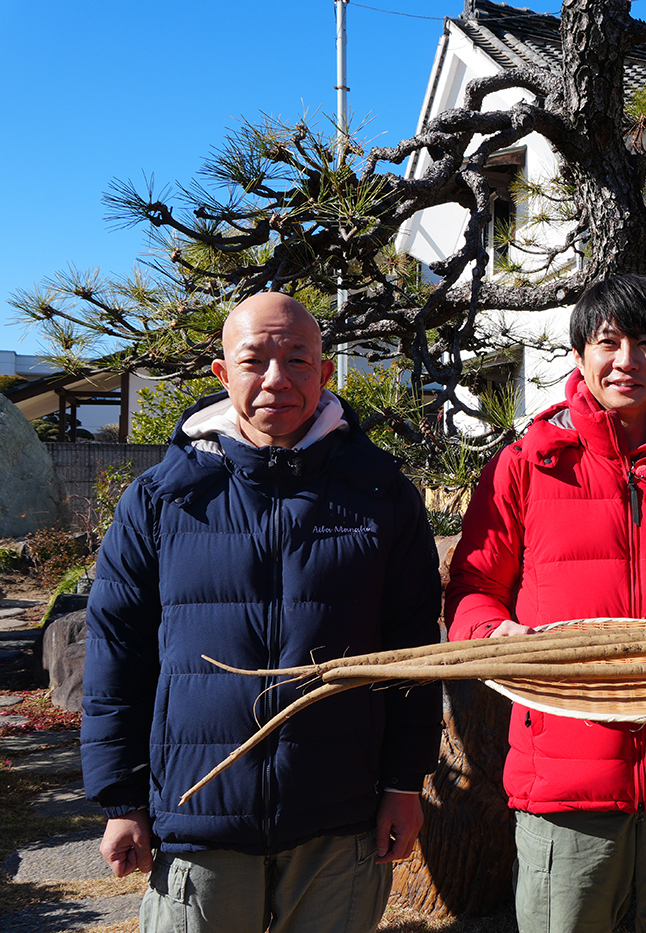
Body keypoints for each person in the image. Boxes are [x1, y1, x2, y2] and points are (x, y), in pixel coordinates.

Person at [82, 293, 442, 933]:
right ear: (223, 374)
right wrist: (122, 799)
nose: (276, 379)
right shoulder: (163, 498)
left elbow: (413, 652)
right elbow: (117, 654)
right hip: (199, 816)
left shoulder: (382, 494)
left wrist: (403, 784)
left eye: (297, 360)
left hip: (342, 815)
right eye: (255, 361)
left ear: (325, 372)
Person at [445, 274, 646, 933]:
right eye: (609, 341)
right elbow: (473, 589)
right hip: (564, 768)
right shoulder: (526, 463)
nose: (628, 360)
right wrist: (495, 633)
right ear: (579, 355)